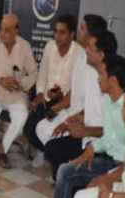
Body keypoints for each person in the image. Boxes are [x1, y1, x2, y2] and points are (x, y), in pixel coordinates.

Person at [28, 54, 125, 198]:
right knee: (66, 169)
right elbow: (108, 138)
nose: (97, 79)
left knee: (65, 173)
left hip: (119, 165)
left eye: (101, 75)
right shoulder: (109, 101)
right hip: (105, 157)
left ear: (112, 80)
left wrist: (108, 175)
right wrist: (89, 150)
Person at [43, 18, 113, 178]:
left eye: (90, 49)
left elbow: (114, 130)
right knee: (52, 148)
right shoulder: (92, 72)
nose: (86, 51)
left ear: (101, 54)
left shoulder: (112, 81)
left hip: (102, 143)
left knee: (61, 161)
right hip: (86, 134)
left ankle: (72, 181)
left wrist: (85, 131)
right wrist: (71, 121)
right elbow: (89, 108)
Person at [24, 15, 84, 168]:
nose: (57, 36)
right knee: (29, 128)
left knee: (49, 127)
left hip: (65, 103)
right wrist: (39, 93)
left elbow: (77, 87)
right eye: (56, 32)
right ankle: (44, 151)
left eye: (62, 32)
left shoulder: (79, 53)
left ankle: (53, 154)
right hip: (46, 98)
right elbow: (42, 73)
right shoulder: (50, 46)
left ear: (72, 35)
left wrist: (61, 96)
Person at [0, 13, 38, 169]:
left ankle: (2, 149)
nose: (2, 33)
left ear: (16, 31)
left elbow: (34, 73)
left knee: (22, 115)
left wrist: (21, 84)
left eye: (7, 30)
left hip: (15, 94)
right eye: (1, 29)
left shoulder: (24, 46)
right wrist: (0, 80)